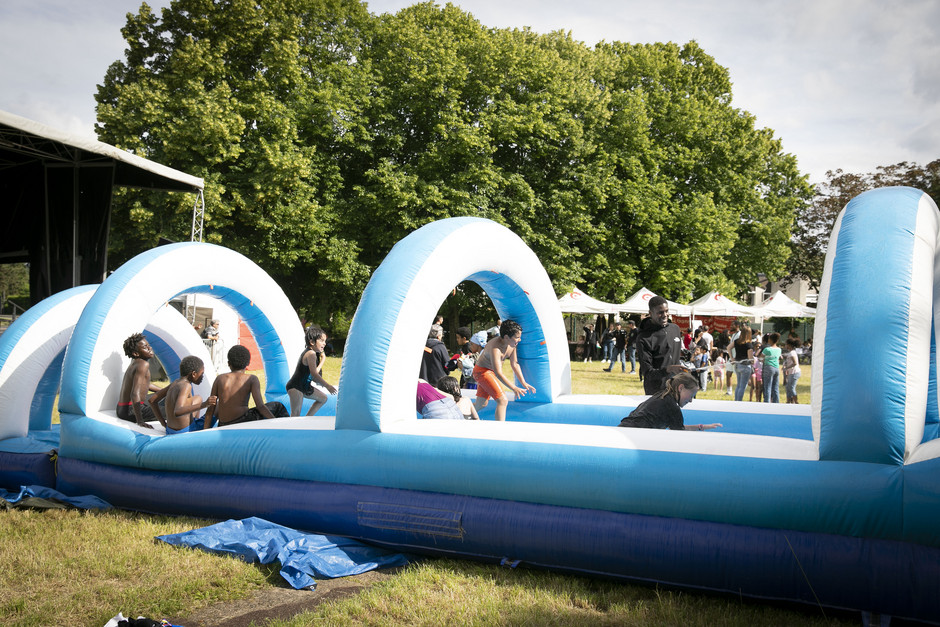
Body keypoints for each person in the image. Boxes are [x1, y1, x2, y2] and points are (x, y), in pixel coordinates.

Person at [204, 345, 288, 428]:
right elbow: (260, 406)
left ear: (229, 363)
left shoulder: (219, 379)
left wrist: (205, 430)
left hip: (223, 424)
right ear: (248, 363)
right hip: (242, 421)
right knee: (278, 406)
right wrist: (274, 422)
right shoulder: (251, 379)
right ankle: (286, 428)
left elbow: (211, 409)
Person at [473, 319, 536, 421]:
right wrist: (514, 388)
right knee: (502, 401)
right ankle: (501, 429)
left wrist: (523, 382)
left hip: (489, 372)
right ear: (506, 337)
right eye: (517, 337)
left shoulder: (512, 344)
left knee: (482, 404)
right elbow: (498, 373)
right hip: (482, 372)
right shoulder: (495, 348)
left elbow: (514, 364)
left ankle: (460, 414)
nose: (519, 340)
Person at [617, 372, 721, 431]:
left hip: (624, 428)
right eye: (691, 396)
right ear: (681, 388)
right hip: (632, 433)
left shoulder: (662, 396)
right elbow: (679, 433)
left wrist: (700, 427)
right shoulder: (671, 407)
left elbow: (677, 427)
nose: (690, 401)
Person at [635, 296, 685, 395]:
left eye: (667, 311)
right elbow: (647, 372)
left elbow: (673, 354)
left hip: (676, 387)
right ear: (650, 314)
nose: (665, 315)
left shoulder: (675, 329)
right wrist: (668, 369)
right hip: (656, 390)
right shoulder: (644, 338)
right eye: (660, 312)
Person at [116, 333, 165, 429]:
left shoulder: (136, 363)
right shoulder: (142, 364)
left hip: (122, 408)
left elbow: (146, 384)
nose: (150, 348)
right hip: (129, 411)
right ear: (136, 353)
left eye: (149, 345)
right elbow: (135, 394)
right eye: (145, 347)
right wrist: (140, 420)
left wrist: (164, 391)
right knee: (174, 409)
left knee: (167, 396)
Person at [285, 325, 337, 416]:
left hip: (305, 386)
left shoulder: (314, 353)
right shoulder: (311, 353)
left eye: (325, 341)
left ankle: (307, 419)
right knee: (295, 414)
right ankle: (291, 429)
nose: (324, 343)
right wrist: (327, 386)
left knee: (323, 398)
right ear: (312, 342)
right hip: (296, 386)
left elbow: (310, 374)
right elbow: (314, 373)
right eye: (322, 340)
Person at [163, 356, 217, 435]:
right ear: (194, 374)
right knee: (217, 406)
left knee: (198, 398)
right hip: (185, 431)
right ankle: (202, 435)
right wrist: (204, 404)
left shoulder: (176, 382)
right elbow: (178, 411)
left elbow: (153, 400)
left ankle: (194, 422)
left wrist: (164, 424)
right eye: (201, 374)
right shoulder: (186, 386)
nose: (202, 377)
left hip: (170, 430)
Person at [731, 326, 754, 401]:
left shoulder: (737, 341)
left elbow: (728, 347)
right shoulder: (748, 345)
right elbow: (751, 359)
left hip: (737, 364)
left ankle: (736, 400)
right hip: (745, 366)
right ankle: (739, 401)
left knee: (738, 385)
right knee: (743, 386)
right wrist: (754, 361)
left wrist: (732, 358)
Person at [761, 332, 782, 403]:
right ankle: (776, 402)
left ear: (770, 340)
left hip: (768, 368)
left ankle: (767, 402)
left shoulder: (767, 349)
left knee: (767, 386)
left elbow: (761, 358)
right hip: (776, 368)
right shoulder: (779, 349)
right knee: (775, 387)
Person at [782, 338, 802, 404]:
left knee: (791, 387)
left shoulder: (792, 353)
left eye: (786, 344)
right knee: (788, 387)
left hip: (794, 372)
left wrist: (787, 367)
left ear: (789, 345)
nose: (785, 346)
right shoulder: (791, 353)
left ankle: (796, 402)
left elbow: (795, 363)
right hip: (791, 372)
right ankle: (789, 401)